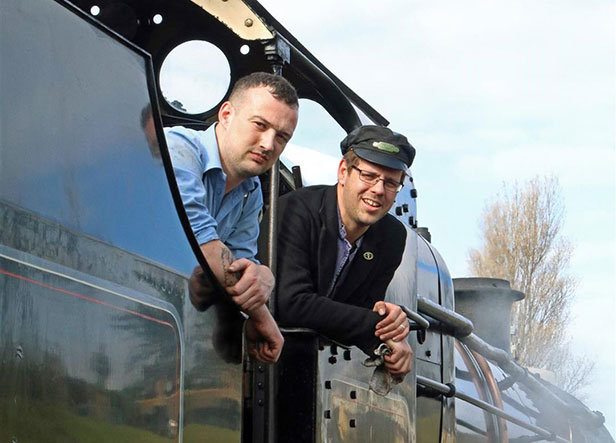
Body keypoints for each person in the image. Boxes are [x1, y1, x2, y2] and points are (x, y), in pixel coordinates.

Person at [165, 72, 299, 363]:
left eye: (282, 137)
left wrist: (263, 276)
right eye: (260, 125)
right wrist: (263, 316)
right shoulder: (179, 149)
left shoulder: (251, 191)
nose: (268, 144)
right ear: (226, 114)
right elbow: (202, 241)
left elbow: (239, 262)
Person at [276, 125, 415, 378]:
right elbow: (291, 303)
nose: (378, 190)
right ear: (343, 172)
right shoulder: (296, 210)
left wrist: (390, 328)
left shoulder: (392, 237)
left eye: (391, 183)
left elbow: (359, 312)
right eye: (369, 176)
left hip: (311, 372)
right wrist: (376, 326)